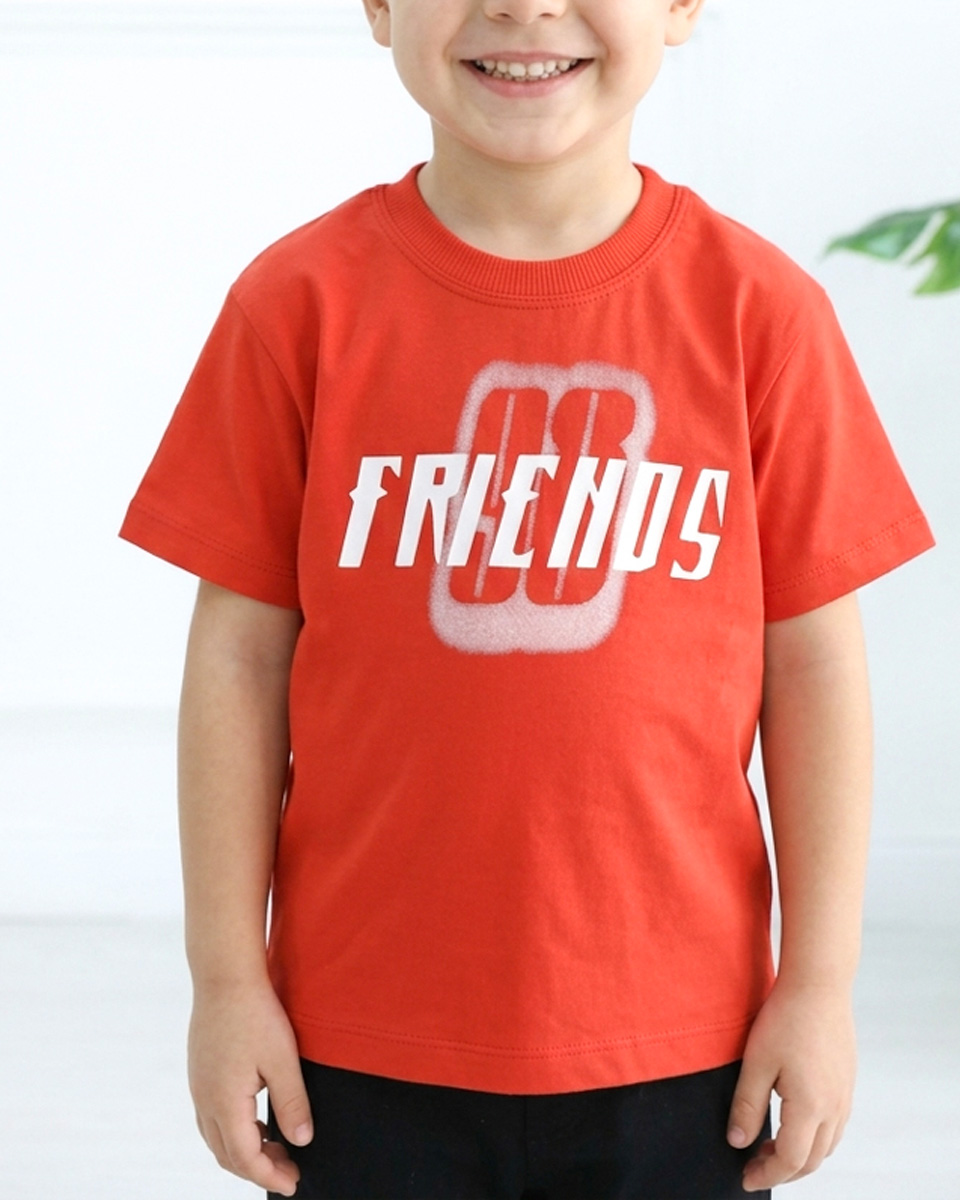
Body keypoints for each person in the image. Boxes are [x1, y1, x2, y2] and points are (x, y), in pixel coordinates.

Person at [118, 0, 935, 1196]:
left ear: (681, 6)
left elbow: (812, 667)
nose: (525, 5)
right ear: (379, 5)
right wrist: (226, 981)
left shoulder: (762, 315)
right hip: (356, 1039)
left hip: (683, 1047)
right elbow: (238, 663)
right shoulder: (294, 306)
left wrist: (818, 985)